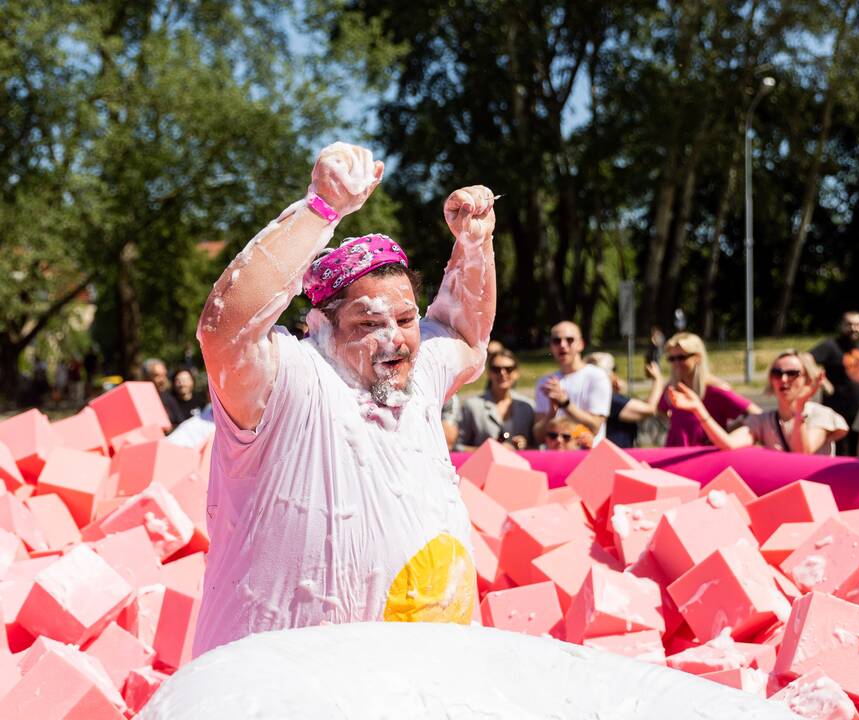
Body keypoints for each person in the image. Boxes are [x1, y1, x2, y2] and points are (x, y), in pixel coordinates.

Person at [192, 142, 496, 657]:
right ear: (321, 325)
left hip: (426, 679)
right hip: (283, 689)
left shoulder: (417, 372)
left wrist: (473, 247)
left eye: (404, 319)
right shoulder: (294, 378)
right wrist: (321, 208)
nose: (394, 339)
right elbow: (226, 333)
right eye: (368, 324)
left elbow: (466, 334)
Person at [668, 350, 848, 455]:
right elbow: (729, 444)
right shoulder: (763, 421)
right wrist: (699, 410)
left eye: (792, 373)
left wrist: (800, 409)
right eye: (777, 373)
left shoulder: (821, 415)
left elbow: (802, 455)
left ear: (808, 379)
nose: (784, 379)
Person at [657, 332, 761, 447]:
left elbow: (757, 414)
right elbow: (660, 409)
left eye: (681, 357)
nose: (676, 363)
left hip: (707, 456)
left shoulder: (715, 389)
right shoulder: (672, 387)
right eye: (672, 358)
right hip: (676, 454)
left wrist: (726, 433)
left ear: (697, 357)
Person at [810, 311, 859, 455]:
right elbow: (807, 358)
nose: (853, 328)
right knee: (840, 455)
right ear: (841, 326)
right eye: (849, 324)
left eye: (857, 324)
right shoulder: (831, 346)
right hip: (837, 414)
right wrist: (823, 382)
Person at [532, 321, 612, 447]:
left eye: (569, 340)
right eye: (556, 341)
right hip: (555, 459)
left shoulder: (597, 376)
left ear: (581, 344)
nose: (563, 345)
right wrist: (551, 413)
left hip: (588, 457)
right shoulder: (545, 382)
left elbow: (595, 427)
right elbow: (538, 436)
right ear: (551, 346)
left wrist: (565, 403)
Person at [457, 349, 535, 450]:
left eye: (509, 369)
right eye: (496, 369)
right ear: (489, 373)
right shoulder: (472, 406)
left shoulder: (528, 406)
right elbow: (457, 447)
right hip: (485, 464)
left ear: (516, 373)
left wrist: (524, 445)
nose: (502, 373)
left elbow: (540, 446)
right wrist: (489, 450)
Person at [585, 352, 665, 449]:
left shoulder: (595, 397)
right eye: (613, 369)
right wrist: (658, 379)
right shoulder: (611, 400)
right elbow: (649, 409)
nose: (615, 374)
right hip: (616, 456)